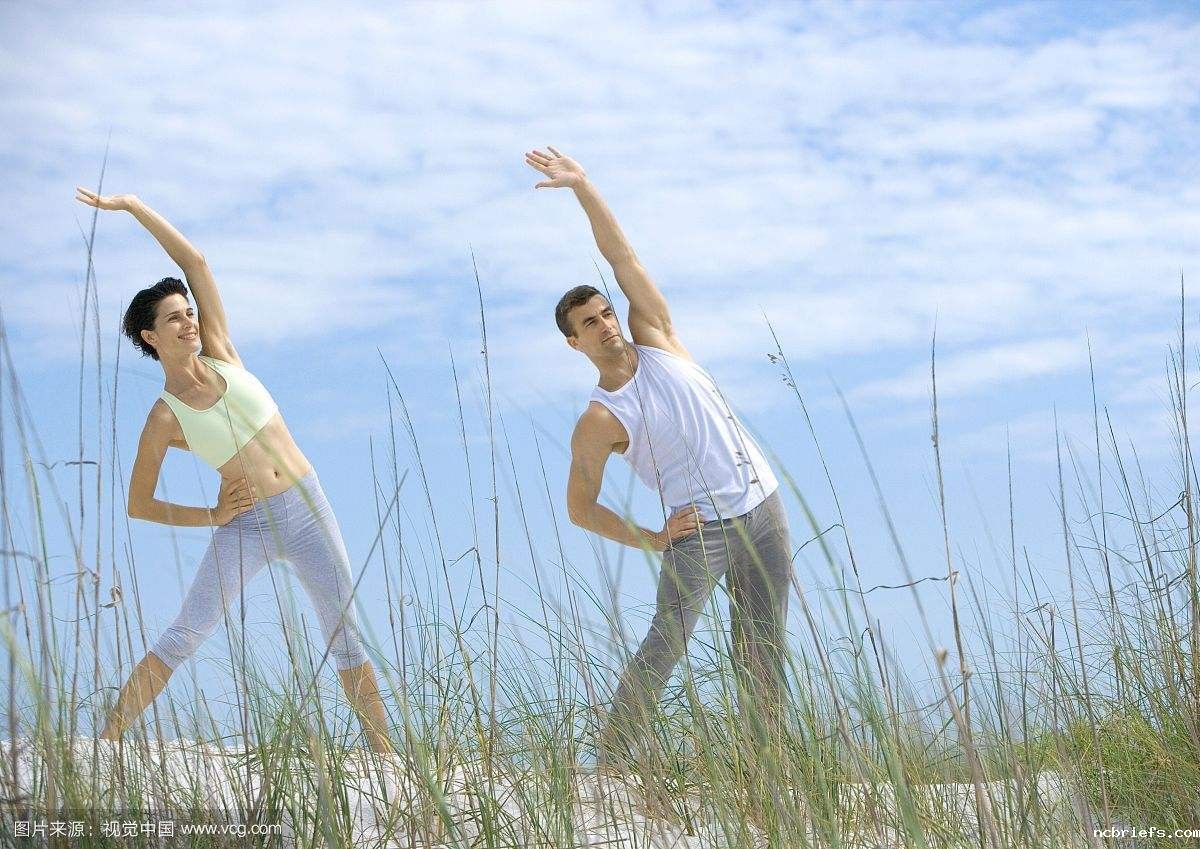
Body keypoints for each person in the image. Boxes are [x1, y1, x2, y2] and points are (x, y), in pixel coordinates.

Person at [75, 187, 393, 753]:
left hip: (307, 506)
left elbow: (194, 262)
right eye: (174, 318)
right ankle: (105, 744)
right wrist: (212, 514)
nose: (189, 321)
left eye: (189, 311)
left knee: (345, 638)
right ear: (151, 336)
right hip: (244, 525)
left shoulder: (221, 348)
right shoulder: (163, 418)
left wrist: (133, 207)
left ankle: (387, 757)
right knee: (185, 634)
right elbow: (139, 504)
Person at [523, 147, 795, 767]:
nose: (605, 325)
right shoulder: (598, 419)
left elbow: (623, 257)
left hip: (763, 504)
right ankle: (609, 765)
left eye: (605, 313)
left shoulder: (658, 338)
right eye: (589, 324)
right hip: (699, 532)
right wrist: (652, 537)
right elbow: (579, 508)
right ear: (574, 343)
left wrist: (582, 187)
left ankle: (769, 768)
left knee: (762, 645)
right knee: (666, 644)